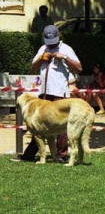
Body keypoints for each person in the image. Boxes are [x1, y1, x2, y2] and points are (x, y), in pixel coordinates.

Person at [12, 25, 82, 163]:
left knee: (61, 125)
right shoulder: (42, 49)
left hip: (59, 94)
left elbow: (79, 67)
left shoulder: (66, 49)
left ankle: (61, 155)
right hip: (44, 93)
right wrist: (40, 59)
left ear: (58, 36)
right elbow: (32, 68)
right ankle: (29, 155)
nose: (51, 45)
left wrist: (64, 58)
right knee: (36, 126)